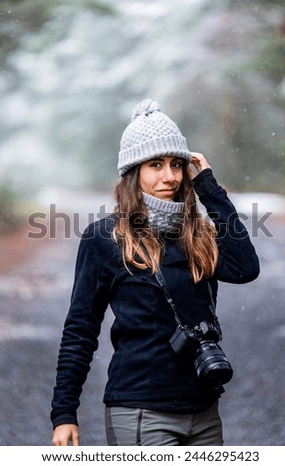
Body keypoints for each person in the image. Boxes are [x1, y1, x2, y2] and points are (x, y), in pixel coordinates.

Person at [51, 99, 260, 446]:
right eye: (156, 164)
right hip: (141, 412)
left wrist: (209, 187)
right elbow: (80, 330)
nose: (170, 176)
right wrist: (64, 413)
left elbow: (245, 268)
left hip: (205, 411)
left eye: (177, 164)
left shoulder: (198, 234)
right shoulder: (106, 238)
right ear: (134, 172)